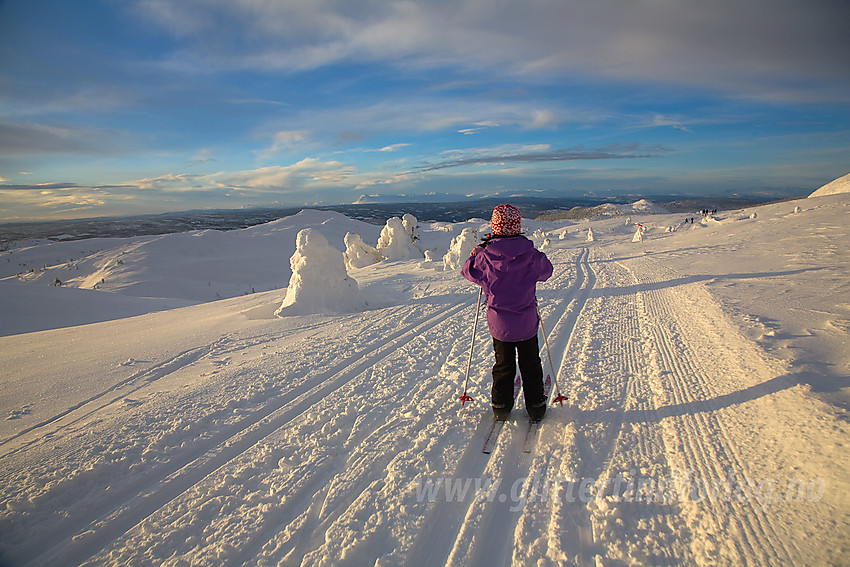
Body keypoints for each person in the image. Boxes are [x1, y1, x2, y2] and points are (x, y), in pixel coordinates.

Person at [462, 204, 553, 422]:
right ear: (517, 226)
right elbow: (547, 271)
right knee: (531, 364)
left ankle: (501, 406)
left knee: (503, 365)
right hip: (527, 322)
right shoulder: (530, 255)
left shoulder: (485, 256)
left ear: (495, 227)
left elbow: (468, 271)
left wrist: (475, 253)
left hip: (500, 325)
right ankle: (536, 407)